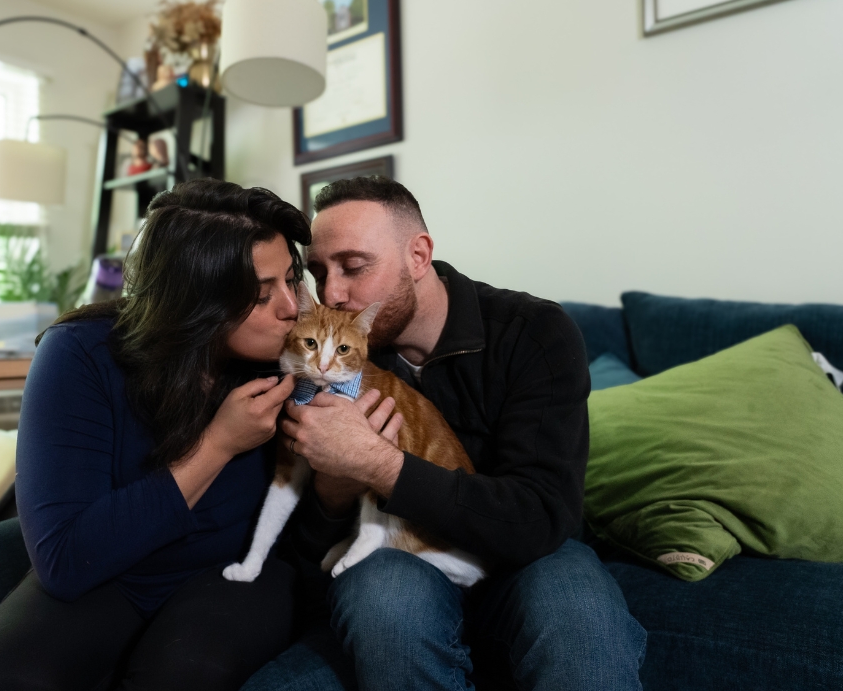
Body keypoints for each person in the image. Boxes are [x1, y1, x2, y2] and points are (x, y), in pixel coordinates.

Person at [244, 176, 647, 691]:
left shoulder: (535, 332)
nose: (335, 294)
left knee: (575, 614)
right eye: (319, 272)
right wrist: (333, 488)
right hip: (396, 555)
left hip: (526, 553)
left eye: (354, 266)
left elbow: (545, 516)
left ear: (418, 255)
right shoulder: (326, 351)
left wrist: (379, 465)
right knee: (384, 599)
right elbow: (310, 550)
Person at [0, 179, 311, 691]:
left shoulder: (300, 357)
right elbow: (63, 561)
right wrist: (217, 445)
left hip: (235, 572)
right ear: (196, 303)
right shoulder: (79, 354)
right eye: (260, 295)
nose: (290, 308)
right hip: (116, 571)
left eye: (292, 281)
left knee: (184, 671)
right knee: (4, 679)